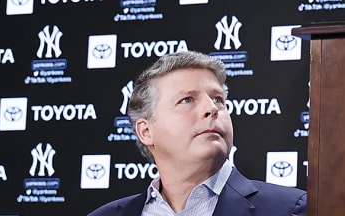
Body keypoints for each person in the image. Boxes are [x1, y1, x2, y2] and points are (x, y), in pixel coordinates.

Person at [88, 50, 307, 215]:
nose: (211, 108)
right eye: (187, 100)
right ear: (146, 131)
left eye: (218, 99)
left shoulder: (290, 210)